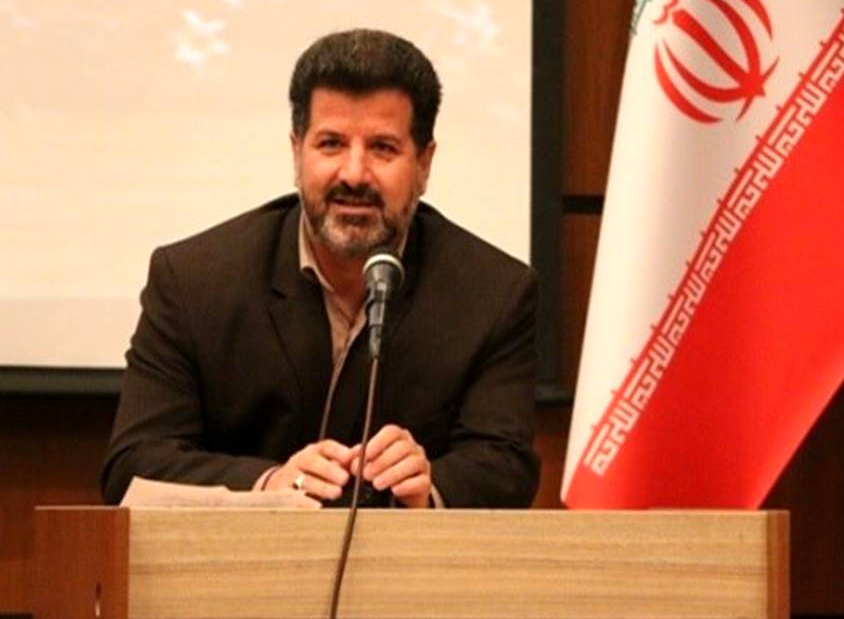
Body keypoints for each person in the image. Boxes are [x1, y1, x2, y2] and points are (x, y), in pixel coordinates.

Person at [100, 29, 539, 508]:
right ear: (297, 152)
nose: (353, 173)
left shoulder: (493, 293)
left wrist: (428, 487)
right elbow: (133, 463)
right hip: (242, 556)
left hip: (405, 556)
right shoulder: (194, 280)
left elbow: (505, 466)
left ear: (424, 164)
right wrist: (268, 485)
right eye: (331, 144)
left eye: (383, 148)